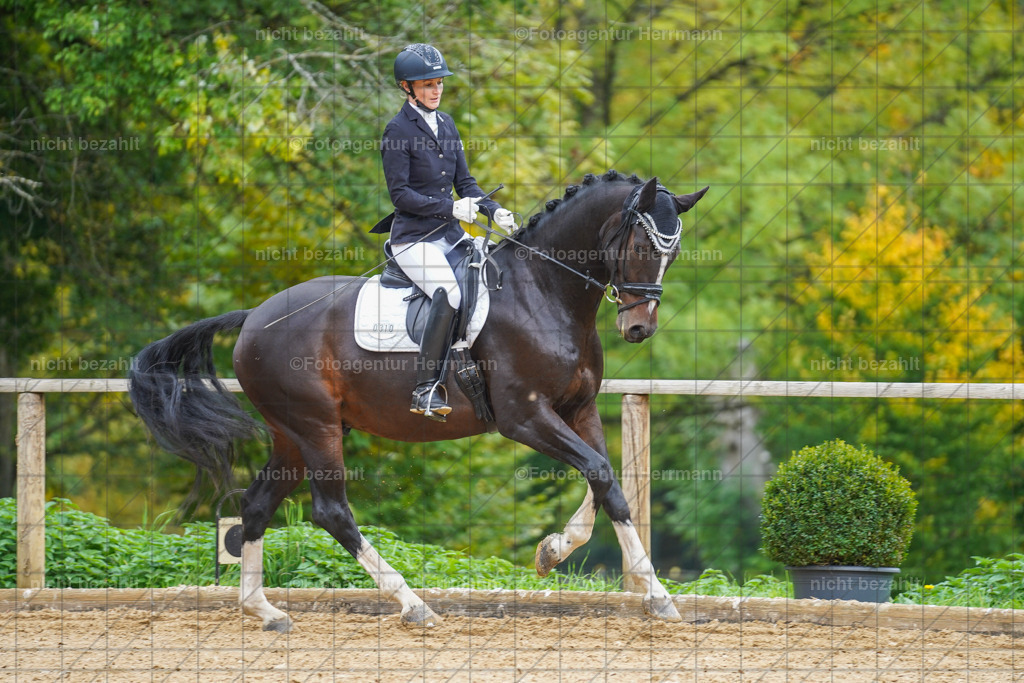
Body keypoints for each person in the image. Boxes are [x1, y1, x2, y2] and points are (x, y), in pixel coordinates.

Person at [375, 43, 516, 421]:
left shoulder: (447, 123)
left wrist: (494, 209)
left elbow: (465, 182)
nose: (435, 90)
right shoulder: (397, 130)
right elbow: (400, 194)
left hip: (449, 234)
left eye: (439, 83)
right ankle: (424, 389)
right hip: (413, 238)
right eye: (426, 85)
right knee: (449, 293)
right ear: (406, 87)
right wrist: (449, 207)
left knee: (491, 278)